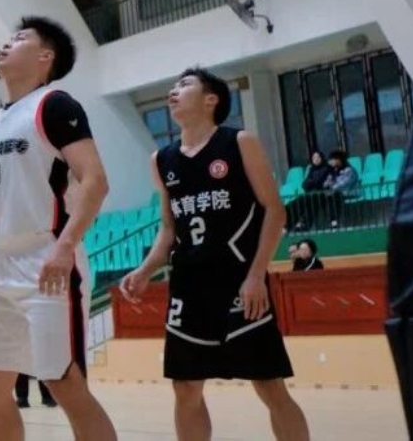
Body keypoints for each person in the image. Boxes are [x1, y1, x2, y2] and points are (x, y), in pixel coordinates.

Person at [0, 18, 116, 441]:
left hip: (46, 261)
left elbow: (95, 181)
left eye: (20, 38)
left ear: (44, 56)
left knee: (65, 383)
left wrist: (66, 247)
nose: (7, 43)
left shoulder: (55, 105)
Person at [120, 68, 310, 441]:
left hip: (238, 280)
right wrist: (144, 270)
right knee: (185, 388)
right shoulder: (161, 160)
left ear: (211, 100)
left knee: (269, 385)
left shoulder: (239, 142)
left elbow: (275, 210)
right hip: (188, 285)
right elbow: (169, 229)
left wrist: (256, 275)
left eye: (184, 85)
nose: (173, 91)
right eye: (172, 86)